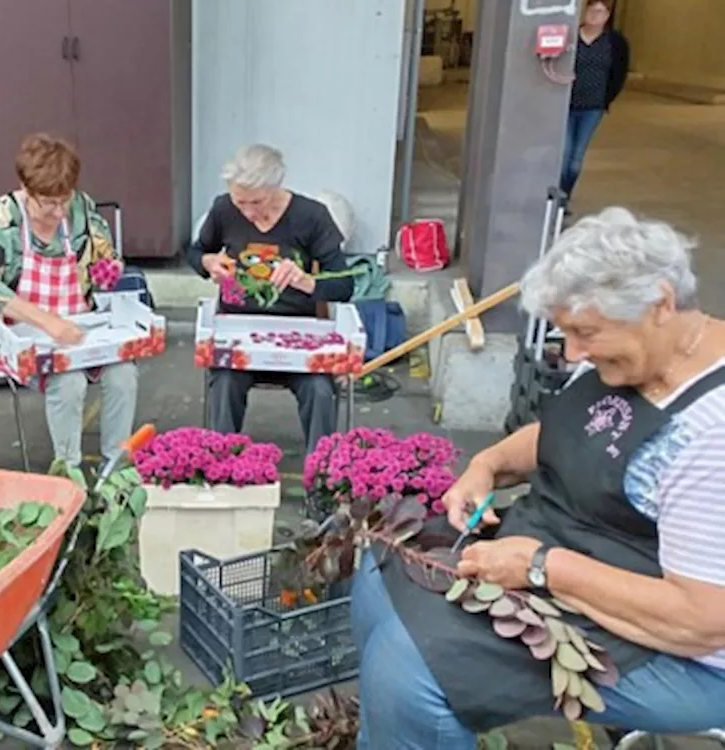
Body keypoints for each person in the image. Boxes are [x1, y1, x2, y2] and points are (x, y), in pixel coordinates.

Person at [352, 207, 725, 749]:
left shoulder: (711, 433)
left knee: (411, 670)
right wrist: (488, 466)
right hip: (564, 552)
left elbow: (703, 620)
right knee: (383, 563)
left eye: (584, 333)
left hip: (677, 648)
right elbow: (575, 430)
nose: (572, 352)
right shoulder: (629, 355)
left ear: (660, 304)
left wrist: (538, 567)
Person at [0, 132, 136, 467]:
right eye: (49, 203)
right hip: (24, 335)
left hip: (80, 329)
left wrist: (109, 266)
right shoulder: (4, 218)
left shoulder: (80, 208)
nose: (60, 212)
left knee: (124, 373)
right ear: (26, 189)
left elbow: (107, 252)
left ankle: (116, 467)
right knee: (69, 380)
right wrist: (48, 322)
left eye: (65, 200)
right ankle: (68, 471)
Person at [189, 144, 354, 455]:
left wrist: (307, 281)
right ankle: (221, 471)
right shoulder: (224, 210)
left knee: (320, 390)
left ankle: (321, 483)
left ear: (276, 187)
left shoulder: (312, 216)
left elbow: (344, 285)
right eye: (241, 202)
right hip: (238, 334)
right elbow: (195, 252)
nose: (249, 212)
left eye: (258, 202)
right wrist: (209, 262)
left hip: (297, 337)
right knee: (223, 383)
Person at [560, 0, 629, 201]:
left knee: (575, 159)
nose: (594, 16)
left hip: (592, 107)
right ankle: (558, 200)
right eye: (591, 10)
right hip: (567, 105)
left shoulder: (615, 42)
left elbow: (620, 72)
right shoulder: (570, 36)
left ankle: (565, 194)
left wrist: (607, 99)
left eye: (600, 12)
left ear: (607, 15)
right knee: (564, 155)